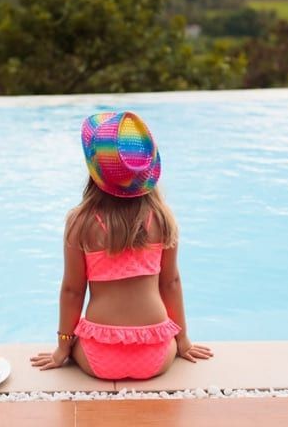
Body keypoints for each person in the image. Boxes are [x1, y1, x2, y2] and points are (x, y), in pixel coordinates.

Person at [30, 111, 213, 380]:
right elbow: (170, 283)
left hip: (99, 356)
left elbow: (72, 291)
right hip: (156, 354)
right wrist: (182, 340)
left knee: (81, 334)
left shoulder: (80, 222)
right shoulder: (162, 218)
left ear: (94, 169)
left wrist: (63, 347)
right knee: (166, 335)